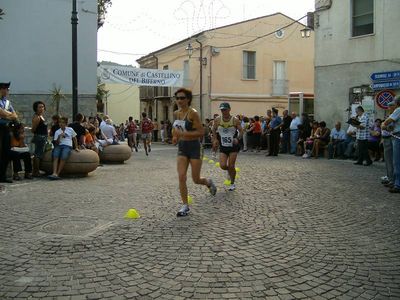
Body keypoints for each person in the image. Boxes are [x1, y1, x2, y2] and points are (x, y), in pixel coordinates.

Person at [172, 88, 217, 217]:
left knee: (196, 179)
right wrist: (175, 136)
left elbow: (201, 132)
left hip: (194, 147)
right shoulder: (176, 113)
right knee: (181, 176)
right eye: (178, 98)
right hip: (182, 147)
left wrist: (184, 134)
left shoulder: (193, 113)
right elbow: (175, 129)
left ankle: (208, 182)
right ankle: (185, 206)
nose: (179, 100)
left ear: (188, 99)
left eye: (182, 98)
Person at [212, 102, 243, 191]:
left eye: (225, 109)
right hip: (223, 145)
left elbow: (241, 131)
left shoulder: (235, 120)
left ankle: (232, 183)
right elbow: (213, 129)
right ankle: (230, 172)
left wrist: (237, 138)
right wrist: (215, 139)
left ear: (229, 109)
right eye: (222, 110)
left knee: (231, 165)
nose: (223, 111)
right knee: (222, 165)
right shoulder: (217, 120)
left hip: (233, 145)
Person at [381, 96, 400, 193]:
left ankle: (397, 184)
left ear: (396, 104)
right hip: (394, 136)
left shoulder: (398, 110)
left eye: (392, 104)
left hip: (396, 137)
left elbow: (387, 123)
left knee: (396, 162)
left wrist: (383, 124)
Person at [0, 82, 18, 183]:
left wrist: (6, 115)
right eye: (7, 89)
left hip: (6, 128)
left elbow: (15, 116)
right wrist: (8, 115)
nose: (8, 91)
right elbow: (1, 113)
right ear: (2, 89)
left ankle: (2, 176)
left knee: (5, 153)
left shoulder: (7, 102)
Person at [31, 101, 48, 176]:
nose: (41, 108)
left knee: (39, 154)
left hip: (43, 137)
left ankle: (36, 171)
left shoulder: (41, 116)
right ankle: (36, 172)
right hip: (39, 137)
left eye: (42, 107)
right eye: (39, 107)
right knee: (38, 155)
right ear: (36, 108)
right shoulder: (37, 117)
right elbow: (33, 129)